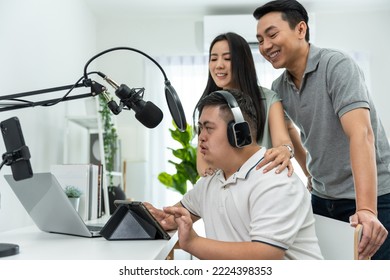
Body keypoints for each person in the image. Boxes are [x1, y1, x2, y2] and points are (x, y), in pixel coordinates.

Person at [253, 0, 389, 260]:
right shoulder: (278, 86)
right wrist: (309, 174)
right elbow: (290, 132)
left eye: (272, 34)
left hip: (374, 198)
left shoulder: (336, 66)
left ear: (301, 29)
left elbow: (361, 134)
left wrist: (368, 210)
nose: (265, 46)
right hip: (323, 199)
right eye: (260, 40)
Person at [146, 89, 323, 260]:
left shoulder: (274, 179)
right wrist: (165, 219)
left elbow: (265, 255)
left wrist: (193, 243)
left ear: (239, 133)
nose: (201, 137)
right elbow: (179, 215)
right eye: (200, 128)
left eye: (209, 128)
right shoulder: (213, 180)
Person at [196, 32, 298, 177]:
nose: (218, 65)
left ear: (242, 62)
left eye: (227, 58)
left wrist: (285, 149)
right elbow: (202, 159)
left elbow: (283, 141)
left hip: (260, 186)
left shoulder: (268, 100)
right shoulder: (209, 106)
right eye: (213, 59)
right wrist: (209, 173)